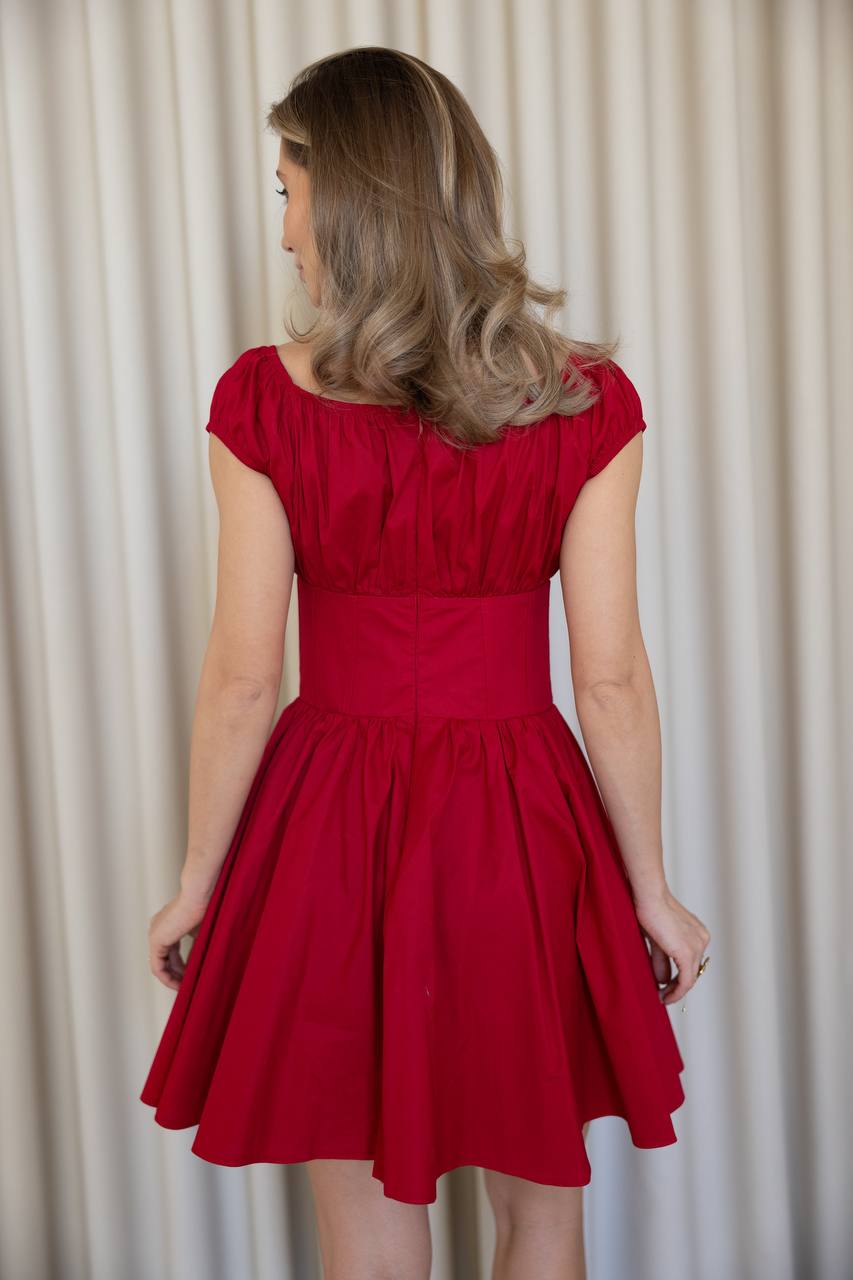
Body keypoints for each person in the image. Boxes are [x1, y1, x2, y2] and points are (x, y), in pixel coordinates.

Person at [140, 46, 711, 1280]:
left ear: (344, 201)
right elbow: (607, 675)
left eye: (287, 189)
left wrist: (198, 878)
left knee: (367, 1235)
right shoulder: (583, 404)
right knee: (541, 1214)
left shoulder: (262, 402)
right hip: (521, 826)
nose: (283, 228)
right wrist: (649, 885)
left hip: (326, 829)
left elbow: (244, 672)